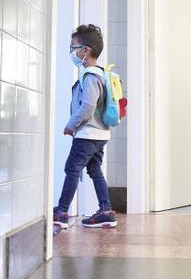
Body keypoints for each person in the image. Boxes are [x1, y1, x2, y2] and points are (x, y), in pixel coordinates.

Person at [53, 24, 118, 229]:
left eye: (74, 47)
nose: (72, 52)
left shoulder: (90, 76)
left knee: (72, 169)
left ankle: (62, 212)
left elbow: (88, 105)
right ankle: (106, 211)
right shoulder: (100, 74)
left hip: (88, 133)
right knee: (94, 169)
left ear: (86, 50)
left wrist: (71, 125)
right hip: (100, 134)